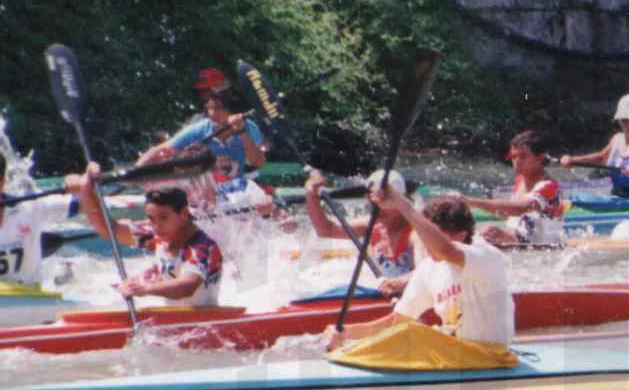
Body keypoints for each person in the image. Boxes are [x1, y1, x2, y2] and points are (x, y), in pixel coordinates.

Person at [328, 188, 514, 351]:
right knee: (400, 336)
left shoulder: (485, 255)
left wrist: (404, 206)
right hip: (455, 353)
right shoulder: (428, 269)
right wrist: (345, 332)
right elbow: (396, 322)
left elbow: (443, 250)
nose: (426, 244)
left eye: (434, 236)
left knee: (414, 336)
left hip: (492, 355)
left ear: (461, 235)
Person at [64, 167, 222, 305]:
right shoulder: (156, 234)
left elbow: (187, 286)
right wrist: (86, 191)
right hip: (176, 321)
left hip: (207, 325)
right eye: (152, 219)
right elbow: (108, 230)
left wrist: (145, 289)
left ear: (183, 214)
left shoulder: (203, 246)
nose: (156, 227)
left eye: (164, 217)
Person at [139, 82, 272, 217]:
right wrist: (136, 172)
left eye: (219, 108)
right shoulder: (201, 129)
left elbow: (258, 162)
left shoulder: (249, 127)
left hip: (237, 189)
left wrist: (241, 131)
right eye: (210, 108)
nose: (213, 114)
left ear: (232, 111)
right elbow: (161, 150)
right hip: (207, 192)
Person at [304, 168, 415, 297]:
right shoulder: (373, 226)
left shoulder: (416, 233)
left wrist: (401, 282)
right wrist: (311, 195)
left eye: (385, 203)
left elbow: (430, 271)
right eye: (373, 204)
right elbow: (325, 230)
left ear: (401, 200)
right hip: (385, 294)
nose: (378, 209)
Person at [560, 94, 629, 198]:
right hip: (617, 197)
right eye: (624, 120)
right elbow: (600, 158)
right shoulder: (617, 139)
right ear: (619, 121)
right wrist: (573, 160)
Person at [472, 130, 566, 248]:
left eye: (523, 156)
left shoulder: (548, 186)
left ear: (540, 159)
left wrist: (472, 202)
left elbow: (520, 209)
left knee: (490, 231)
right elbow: (509, 214)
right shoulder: (519, 180)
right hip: (522, 240)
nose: (516, 161)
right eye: (514, 156)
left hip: (544, 248)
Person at [0, 156, 76, 287]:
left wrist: (83, 186)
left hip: (30, 299)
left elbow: (85, 205)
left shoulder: (31, 205)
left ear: (1, 182)